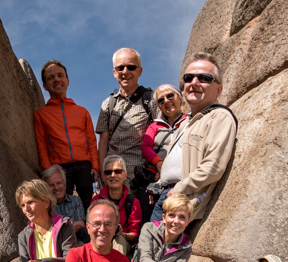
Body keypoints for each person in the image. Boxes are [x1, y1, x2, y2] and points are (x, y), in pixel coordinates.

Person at [150, 52, 237, 223]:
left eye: (204, 78)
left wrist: (179, 189)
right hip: (166, 195)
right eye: (189, 78)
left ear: (218, 89)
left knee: (155, 248)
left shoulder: (219, 116)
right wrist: (159, 185)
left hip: (181, 199)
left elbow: (213, 166)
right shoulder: (186, 122)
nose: (194, 83)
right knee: (147, 248)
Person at [33, 59, 99, 210]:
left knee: (88, 207)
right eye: (51, 77)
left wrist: (95, 165)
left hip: (84, 166)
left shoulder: (82, 111)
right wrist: (48, 171)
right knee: (62, 209)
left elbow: (91, 140)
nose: (56, 79)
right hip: (60, 168)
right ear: (45, 86)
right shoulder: (40, 115)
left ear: (67, 81)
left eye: (59, 75)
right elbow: (41, 145)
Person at [96, 47, 154, 188]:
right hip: (111, 173)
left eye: (131, 67)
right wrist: (103, 172)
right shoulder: (108, 104)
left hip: (138, 173)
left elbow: (161, 136)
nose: (125, 72)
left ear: (139, 71)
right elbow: (103, 142)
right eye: (120, 68)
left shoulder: (152, 99)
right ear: (114, 73)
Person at [140, 83, 187, 220]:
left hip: (179, 177)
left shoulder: (190, 121)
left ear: (180, 98)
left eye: (170, 96)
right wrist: (159, 164)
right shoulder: (155, 125)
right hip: (154, 175)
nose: (166, 101)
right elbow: (145, 147)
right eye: (161, 100)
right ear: (159, 106)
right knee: (148, 216)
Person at [89, 155, 143, 252]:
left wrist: (122, 234)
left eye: (118, 171)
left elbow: (134, 234)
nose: (113, 175)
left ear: (125, 175)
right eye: (108, 172)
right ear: (104, 177)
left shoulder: (133, 202)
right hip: (100, 238)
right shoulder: (96, 200)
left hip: (121, 241)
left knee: (119, 240)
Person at [42, 164, 87, 242]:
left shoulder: (75, 200)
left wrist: (60, 227)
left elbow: (81, 224)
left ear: (65, 185)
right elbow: (49, 231)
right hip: (56, 241)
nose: (56, 188)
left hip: (77, 238)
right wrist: (71, 225)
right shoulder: (44, 206)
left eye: (59, 183)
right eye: (51, 185)